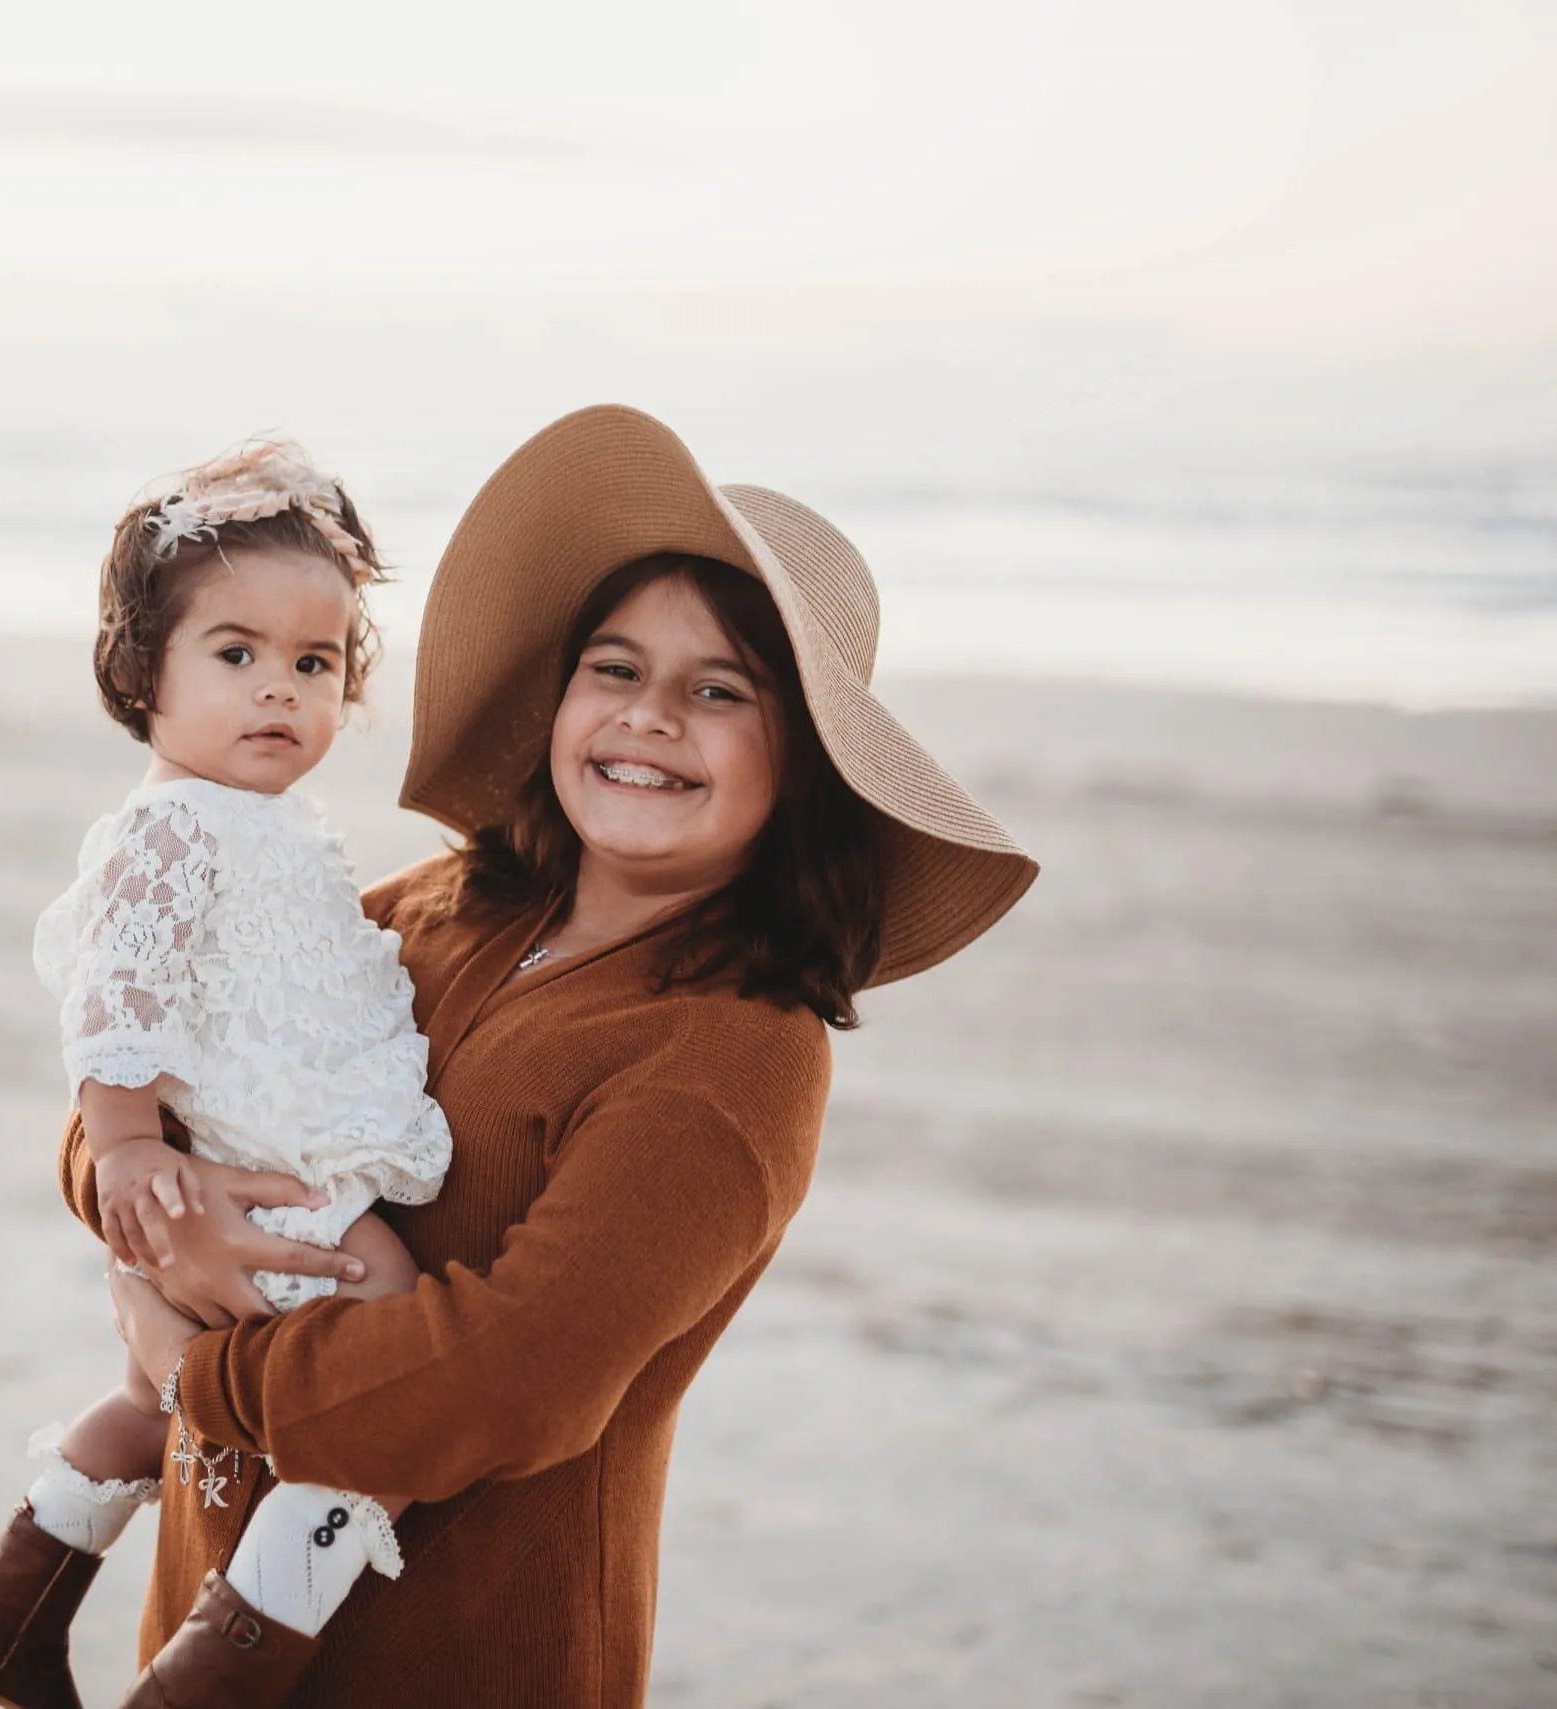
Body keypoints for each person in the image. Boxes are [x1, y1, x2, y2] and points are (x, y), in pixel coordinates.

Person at [78, 405, 1041, 1707]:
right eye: (615, 667)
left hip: (461, 1656)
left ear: (800, 759)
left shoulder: (734, 1052)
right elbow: (157, 1050)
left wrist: (193, 1362)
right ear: (559, 694)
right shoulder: (449, 898)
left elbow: (509, 1376)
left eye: (718, 690)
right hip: (203, 1629)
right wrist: (137, 1197)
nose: (650, 717)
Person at [0, 442, 453, 1709]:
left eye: (313, 664)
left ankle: (14, 1602)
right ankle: (218, 1669)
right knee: (392, 1347)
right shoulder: (174, 824)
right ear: (139, 672)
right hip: (263, 1165)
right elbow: (118, 989)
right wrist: (124, 1147)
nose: (279, 690)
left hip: (256, 1144)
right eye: (236, 654)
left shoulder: (256, 821)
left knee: (149, 1396)